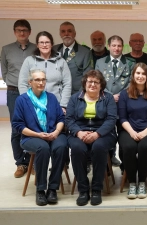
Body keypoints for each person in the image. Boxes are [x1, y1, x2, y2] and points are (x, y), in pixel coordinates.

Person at [12, 69, 67, 206]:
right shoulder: (22, 100)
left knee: (61, 146)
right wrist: (38, 135)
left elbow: (61, 118)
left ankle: (53, 188)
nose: (41, 82)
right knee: (42, 148)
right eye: (37, 80)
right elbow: (18, 125)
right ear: (30, 82)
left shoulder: (52, 98)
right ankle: (41, 189)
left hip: (52, 133)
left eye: (43, 79)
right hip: (31, 137)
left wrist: (56, 132)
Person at [65, 70, 117, 206]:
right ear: (84, 83)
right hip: (79, 133)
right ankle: (83, 190)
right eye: (90, 81)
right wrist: (78, 133)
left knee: (99, 147)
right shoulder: (74, 98)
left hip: (103, 133)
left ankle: (96, 189)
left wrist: (97, 134)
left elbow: (111, 120)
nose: (93, 84)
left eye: (96, 82)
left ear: (101, 85)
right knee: (77, 148)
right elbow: (69, 119)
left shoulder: (108, 98)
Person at [118, 63, 147, 199]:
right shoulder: (124, 94)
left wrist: (144, 133)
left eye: (143, 74)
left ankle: (142, 182)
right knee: (129, 147)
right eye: (138, 73)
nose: (140, 76)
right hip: (128, 130)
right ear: (133, 75)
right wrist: (132, 132)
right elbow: (123, 118)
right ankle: (132, 183)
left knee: (144, 147)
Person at [1, 19, 36, 178]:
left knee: (33, 126)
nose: (22, 33)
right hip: (14, 93)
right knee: (17, 128)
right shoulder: (6, 49)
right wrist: (13, 83)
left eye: (25, 30)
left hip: (33, 93)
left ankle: (31, 162)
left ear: (29, 32)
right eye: (19, 30)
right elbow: (5, 71)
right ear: (15, 32)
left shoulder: (36, 49)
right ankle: (20, 163)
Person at [95, 35, 135, 169]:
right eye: (114, 45)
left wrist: (120, 95)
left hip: (124, 103)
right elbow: (98, 81)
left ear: (123, 47)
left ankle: (126, 166)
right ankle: (107, 164)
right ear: (109, 46)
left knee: (124, 135)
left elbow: (132, 83)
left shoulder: (130, 62)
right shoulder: (100, 62)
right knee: (107, 133)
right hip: (106, 103)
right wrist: (110, 96)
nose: (116, 48)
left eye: (119, 46)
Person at [19, 31, 72, 112]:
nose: (44, 45)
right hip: (34, 105)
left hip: (56, 105)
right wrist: (27, 103)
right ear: (37, 45)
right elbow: (22, 83)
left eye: (47, 42)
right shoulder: (29, 61)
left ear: (52, 44)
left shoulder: (61, 61)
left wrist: (63, 105)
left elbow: (67, 84)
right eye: (41, 42)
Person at [53, 21, 92, 95]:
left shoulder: (85, 52)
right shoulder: (54, 50)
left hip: (76, 93)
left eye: (69, 31)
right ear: (60, 34)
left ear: (74, 33)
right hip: (56, 93)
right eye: (63, 31)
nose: (66, 34)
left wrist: (80, 94)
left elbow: (87, 76)